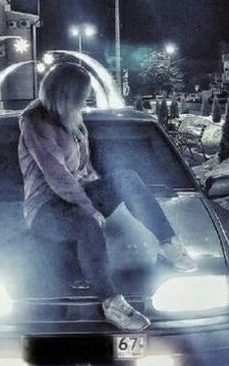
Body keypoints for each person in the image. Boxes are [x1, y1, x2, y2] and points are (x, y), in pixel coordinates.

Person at [17, 63, 196, 332]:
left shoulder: (71, 116)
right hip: (46, 207)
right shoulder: (36, 122)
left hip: (76, 195)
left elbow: (84, 168)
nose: (84, 101)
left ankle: (168, 243)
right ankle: (112, 304)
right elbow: (57, 175)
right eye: (80, 96)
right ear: (64, 93)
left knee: (126, 179)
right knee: (87, 224)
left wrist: (100, 192)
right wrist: (89, 207)